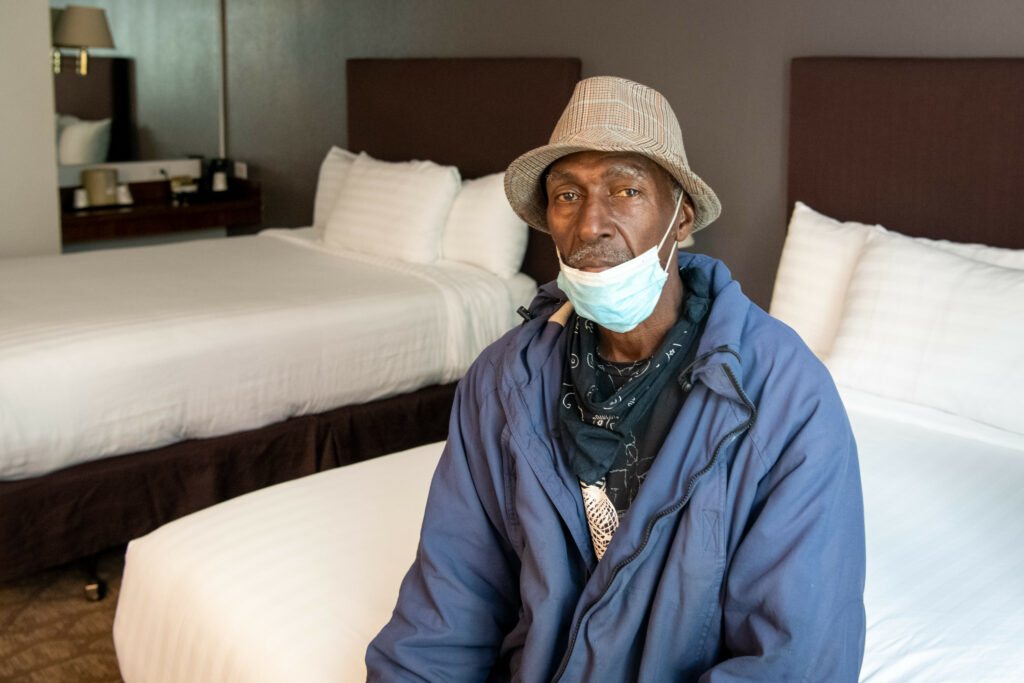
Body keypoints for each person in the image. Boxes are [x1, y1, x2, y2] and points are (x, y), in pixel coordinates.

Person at [366, 76, 866, 681]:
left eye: (626, 189)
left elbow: (793, 659)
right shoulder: (502, 382)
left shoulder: (787, 400)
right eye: (567, 195)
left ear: (680, 221)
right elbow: (449, 608)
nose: (589, 225)